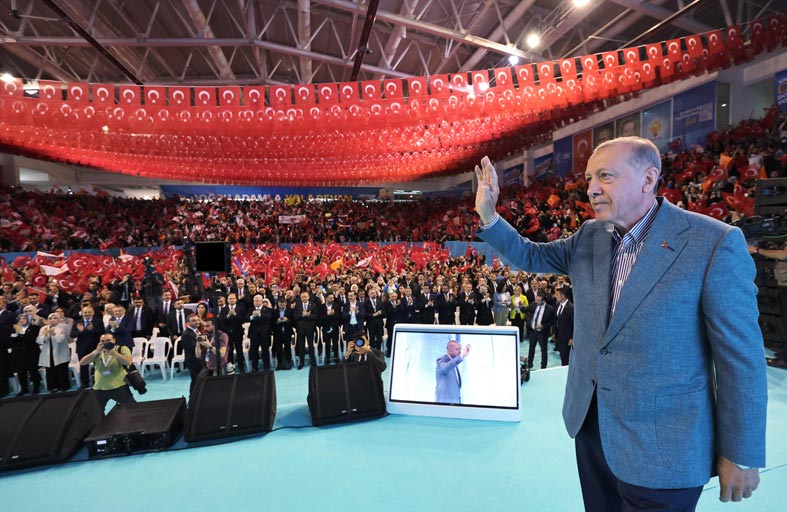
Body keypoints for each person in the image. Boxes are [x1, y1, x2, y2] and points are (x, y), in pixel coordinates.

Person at [474, 137, 767, 508]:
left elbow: (741, 359)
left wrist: (741, 453)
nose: (592, 189)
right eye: (589, 179)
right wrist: (489, 215)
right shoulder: (589, 235)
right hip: (592, 430)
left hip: (665, 449)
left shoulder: (713, 243)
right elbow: (529, 255)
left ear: (648, 179)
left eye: (605, 176)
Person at [79, 333, 135, 413]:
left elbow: (128, 362)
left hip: (119, 386)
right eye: (102, 341)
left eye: (108, 340)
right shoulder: (97, 352)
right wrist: (95, 352)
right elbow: (82, 363)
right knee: (96, 413)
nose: (105, 343)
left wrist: (115, 354)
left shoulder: (121, 349)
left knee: (132, 410)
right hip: (99, 388)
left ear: (114, 340)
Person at [70, 305, 105, 388]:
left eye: (89, 312)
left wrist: (92, 330)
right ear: (82, 313)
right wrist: (80, 331)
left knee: (98, 364)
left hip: (95, 347)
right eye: (85, 312)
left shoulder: (98, 321)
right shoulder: (77, 322)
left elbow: (102, 333)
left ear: (93, 313)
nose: (87, 314)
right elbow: (72, 335)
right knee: (83, 365)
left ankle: (98, 380)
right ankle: (85, 383)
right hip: (82, 348)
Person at [37, 312, 71, 392]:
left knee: (62, 369)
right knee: (50, 371)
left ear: (59, 319)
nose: (52, 320)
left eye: (55, 318)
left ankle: (64, 386)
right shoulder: (44, 328)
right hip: (48, 353)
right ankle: (53, 387)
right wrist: (45, 336)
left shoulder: (63, 327)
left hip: (61, 352)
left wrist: (54, 334)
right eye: (50, 318)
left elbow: (61, 339)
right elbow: (39, 340)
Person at [9, 313, 42, 395]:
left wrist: (21, 332)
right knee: (21, 372)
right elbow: (11, 341)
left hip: (31, 352)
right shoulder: (14, 329)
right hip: (19, 353)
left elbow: (31, 338)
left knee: (33, 370)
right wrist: (16, 333)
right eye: (19, 319)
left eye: (24, 318)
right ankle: (24, 389)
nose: (21, 320)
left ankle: (36, 387)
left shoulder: (34, 327)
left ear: (28, 319)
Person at [526, 290, 555, 370]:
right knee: (531, 348)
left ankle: (543, 366)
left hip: (542, 333)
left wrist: (543, 326)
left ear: (543, 301)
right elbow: (526, 310)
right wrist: (521, 307)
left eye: (538, 301)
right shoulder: (533, 304)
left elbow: (552, 321)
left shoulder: (550, 309)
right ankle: (529, 364)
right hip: (533, 331)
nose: (536, 302)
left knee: (544, 350)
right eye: (536, 299)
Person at [435, 340, 470, 404]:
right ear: (449, 350)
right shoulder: (441, 360)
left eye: (460, 349)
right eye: (457, 349)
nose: (460, 352)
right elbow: (445, 367)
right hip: (444, 404)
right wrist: (462, 356)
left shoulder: (454, 364)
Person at [180, 314, 206, 393]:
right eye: (193, 321)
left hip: (199, 360)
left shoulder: (196, 330)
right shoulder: (187, 334)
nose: (197, 322)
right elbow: (192, 349)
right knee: (196, 381)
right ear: (188, 322)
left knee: (199, 381)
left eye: (198, 320)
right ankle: (192, 398)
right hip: (194, 361)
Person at [247, 294, 273, 372]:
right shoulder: (250, 309)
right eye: (254, 300)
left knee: (265, 351)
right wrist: (252, 316)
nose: (256, 302)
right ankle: (254, 367)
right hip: (254, 334)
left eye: (258, 300)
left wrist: (260, 314)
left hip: (264, 333)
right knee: (253, 351)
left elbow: (269, 318)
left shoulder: (267, 309)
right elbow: (246, 318)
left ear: (262, 301)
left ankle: (266, 367)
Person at [554, 286, 574, 367]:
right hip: (559, 337)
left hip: (567, 338)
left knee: (566, 358)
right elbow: (557, 320)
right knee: (562, 356)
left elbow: (574, 324)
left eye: (557, 295)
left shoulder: (571, 307)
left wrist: (572, 338)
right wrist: (554, 333)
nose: (555, 296)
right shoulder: (557, 305)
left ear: (563, 296)